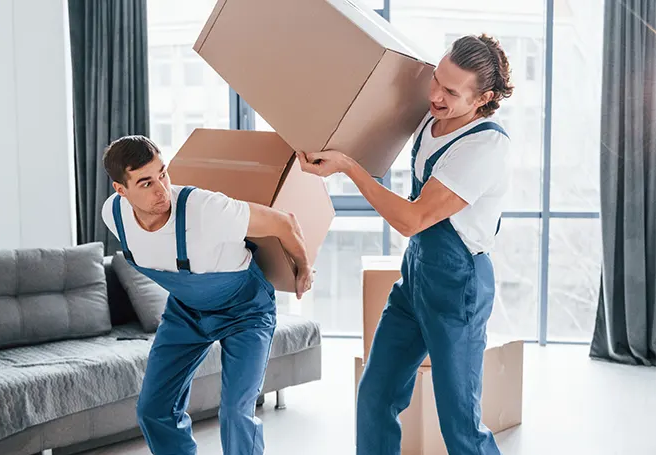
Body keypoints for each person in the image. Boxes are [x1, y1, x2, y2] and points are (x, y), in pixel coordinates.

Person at [298, 34, 514, 455]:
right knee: (375, 397)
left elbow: (412, 219)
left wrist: (348, 168)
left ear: (483, 97)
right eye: (436, 79)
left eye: (451, 91)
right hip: (416, 279)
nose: (435, 94)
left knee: (460, 425)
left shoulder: (484, 146)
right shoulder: (430, 117)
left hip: (458, 288)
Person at [100, 135, 314, 455]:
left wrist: (304, 269)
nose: (161, 189)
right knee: (153, 409)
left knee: (235, 413)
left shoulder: (205, 208)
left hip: (246, 311)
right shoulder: (113, 215)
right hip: (187, 312)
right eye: (146, 183)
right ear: (121, 190)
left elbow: (285, 223)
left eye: (163, 173)